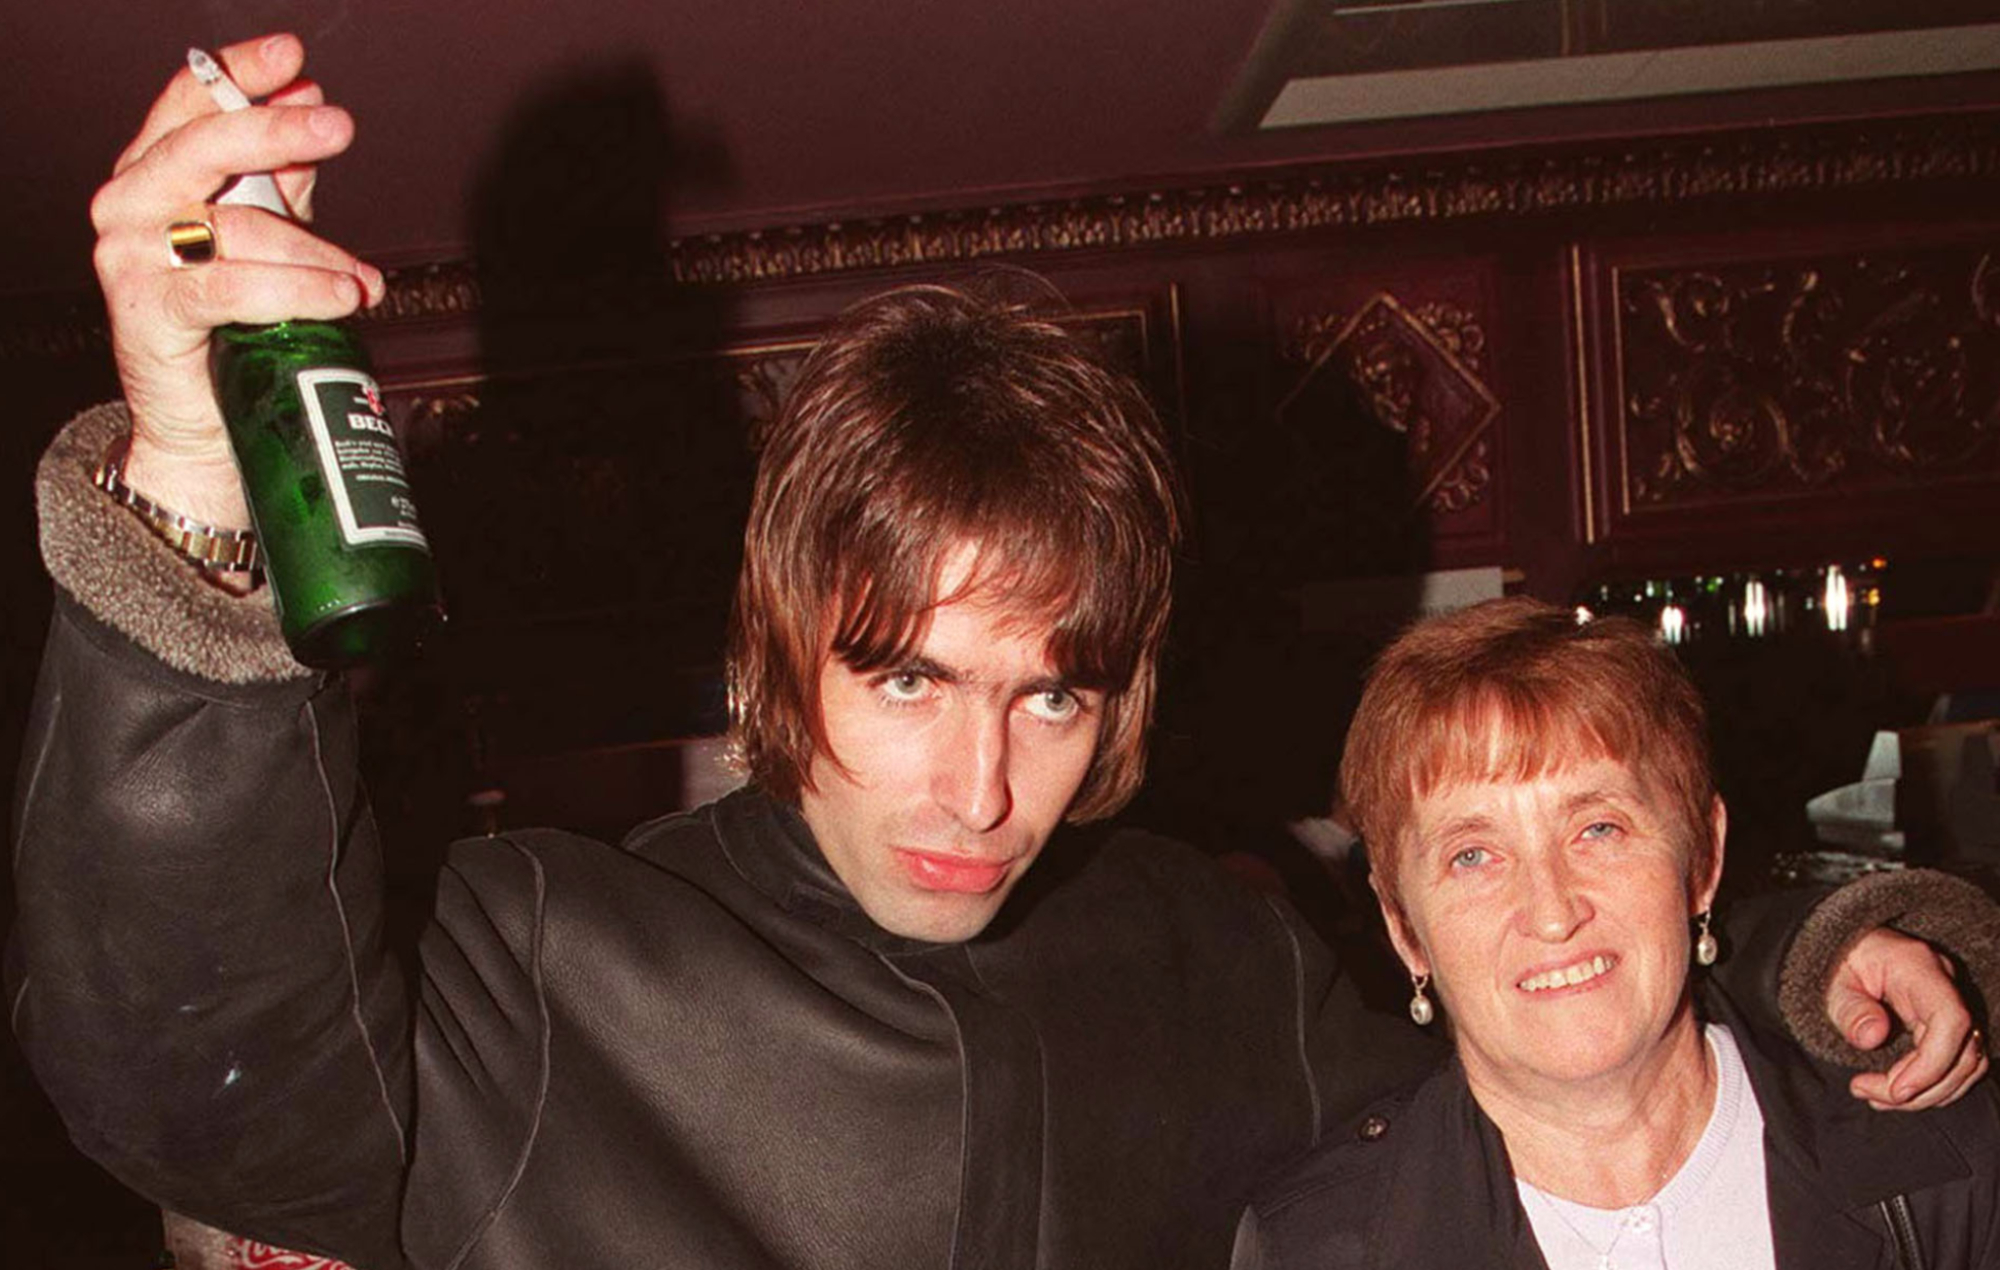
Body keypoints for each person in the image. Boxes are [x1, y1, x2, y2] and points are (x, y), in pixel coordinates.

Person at [8, 34, 1993, 1270]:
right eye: (905, 680)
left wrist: (1820, 950)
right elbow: (201, 1080)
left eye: (1051, 690)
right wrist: (196, 480)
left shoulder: (1214, 964)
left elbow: (1541, 1023)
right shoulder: (548, 960)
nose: (980, 789)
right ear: (785, 658)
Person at [1232, 598, 1999, 1269]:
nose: (1554, 910)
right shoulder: (1317, 1248)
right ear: (1404, 928)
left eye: (1598, 828)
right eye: (1474, 854)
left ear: (1703, 857)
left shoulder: (1943, 1165)